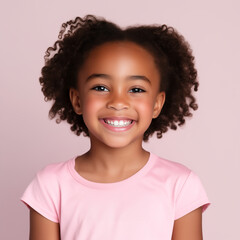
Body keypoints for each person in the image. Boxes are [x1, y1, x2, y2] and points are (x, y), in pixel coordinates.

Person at [20, 14, 210, 240]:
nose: (118, 102)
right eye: (100, 87)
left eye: (136, 89)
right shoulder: (51, 185)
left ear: (157, 104)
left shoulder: (180, 184)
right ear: (77, 100)